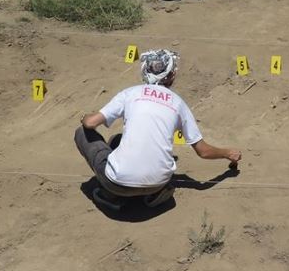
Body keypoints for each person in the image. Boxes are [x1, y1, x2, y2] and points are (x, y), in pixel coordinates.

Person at [75, 49, 242, 210]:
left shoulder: (130, 93)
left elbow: (90, 124)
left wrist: (84, 117)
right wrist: (228, 153)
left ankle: (111, 196)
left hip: (117, 184)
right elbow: (203, 151)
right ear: (172, 75)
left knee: (82, 132)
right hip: (158, 183)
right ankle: (155, 194)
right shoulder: (178, 103)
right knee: (117, 140)